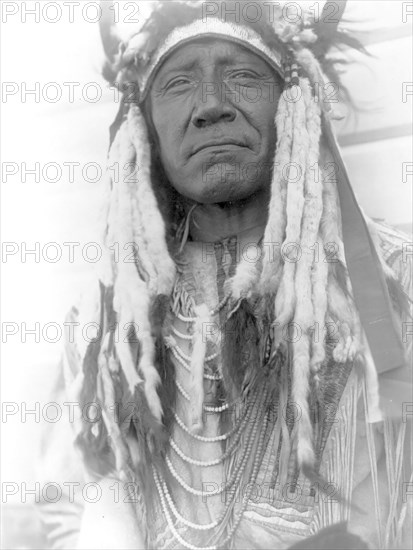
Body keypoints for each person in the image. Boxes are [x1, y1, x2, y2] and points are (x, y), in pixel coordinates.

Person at [38, 1, 412, 548]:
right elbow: (68, 502)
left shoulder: (393, 286)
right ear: (144, 129)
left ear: (295, 104)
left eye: (241, 76)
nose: (211, 105)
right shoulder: (112, 323)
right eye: (178, 83)